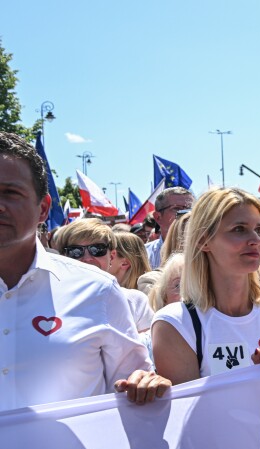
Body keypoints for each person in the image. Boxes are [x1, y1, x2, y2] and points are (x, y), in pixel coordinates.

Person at [0, 131, 167, 410]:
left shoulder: (97, 290)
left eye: (10, 192)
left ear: (43, 209)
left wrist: (146, 386)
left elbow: (134, 388)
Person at [152, 188, 260, 384]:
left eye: (259, 230)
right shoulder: (175, 324)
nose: (257, 241)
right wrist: (253, 376)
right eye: (239, 229)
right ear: (203, 240)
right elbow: (189, 410)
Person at [53, 219, 154, 333]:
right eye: (75, 251)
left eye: (97, 249)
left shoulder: (136, 302)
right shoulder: (51, 303)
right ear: (64, 257)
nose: (87, 258)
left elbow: (148, 349)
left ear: (112, 256)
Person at [145, 187, 194, 269]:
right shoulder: (144, 254)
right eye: (177, 208)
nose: (186, 214)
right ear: (158, 217)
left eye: (190, 208)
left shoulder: (207, 250)